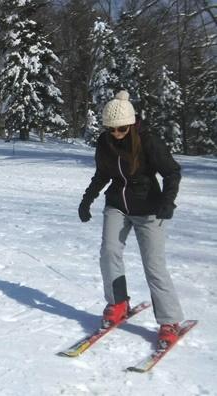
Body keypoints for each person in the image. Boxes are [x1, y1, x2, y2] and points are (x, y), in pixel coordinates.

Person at [78, 90, 185, 348]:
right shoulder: (105, 143)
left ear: (132, 123)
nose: (116, 134)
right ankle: (117, 303)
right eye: (111, 129)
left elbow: (172, 172)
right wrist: (87, 199)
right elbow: (102, 174)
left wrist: (167, 202)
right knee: (109, 252)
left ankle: (169, 321)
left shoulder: (148, 141)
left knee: (153, 264)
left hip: (149, 209)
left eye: (122, 129)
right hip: (117, 205)